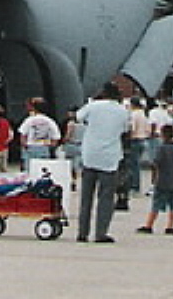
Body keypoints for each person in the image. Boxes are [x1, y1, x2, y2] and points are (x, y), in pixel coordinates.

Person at [75, 81, 129, 244]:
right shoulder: (123, 111)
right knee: (106, 198)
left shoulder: (93, 106)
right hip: (110, 158)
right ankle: (101, 232)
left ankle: (82, 232)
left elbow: (78, 117)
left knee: (86, 197)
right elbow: (125, 130)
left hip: (90, 155)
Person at [136, 124, 173, 235]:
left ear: (162, 135)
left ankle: (149, 225)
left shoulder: (160, 149)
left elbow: (155, 163)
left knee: (156, 204)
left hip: (161, 180)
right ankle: (170, 226)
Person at [19, 97, 61, 170]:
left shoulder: (29, 120)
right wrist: (51, 147)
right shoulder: (50, 121)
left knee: (30, 170)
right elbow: (56, 137)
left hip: (31, 148)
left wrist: (25, 145)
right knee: (43, 170)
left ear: (34, 108)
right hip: (44, 148)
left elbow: (22, 135)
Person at [125, 97, 150, 194]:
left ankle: (134, 186)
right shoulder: (143, 114)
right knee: (137, 164)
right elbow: (148, 130)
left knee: (132, 165)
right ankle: (136, 186)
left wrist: (128, 137)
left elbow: (132, 128)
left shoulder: (134, 114)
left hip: (134, 140)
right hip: (143, 140)